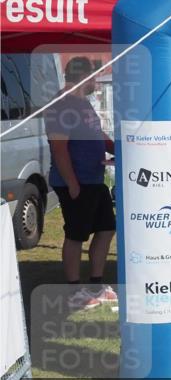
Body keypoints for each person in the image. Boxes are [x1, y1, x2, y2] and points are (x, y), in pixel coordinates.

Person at [44, 57, 118, 310]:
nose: (97, 82)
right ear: (84, 76)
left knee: (107, 228)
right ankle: (74, 291)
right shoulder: (61, 105)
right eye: (94, 77)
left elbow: (97, 134)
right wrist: (72, 183)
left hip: (94, 179)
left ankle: (96, 284)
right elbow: (59, 148)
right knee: (76, 235)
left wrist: (117, 147)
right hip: (76, 182)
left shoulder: (83, 103)